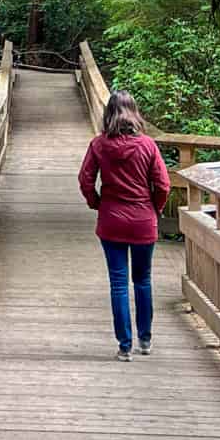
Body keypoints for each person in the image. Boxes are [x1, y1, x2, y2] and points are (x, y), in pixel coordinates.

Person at [78, 89, 171, 360]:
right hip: (144, 221)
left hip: (112, 221)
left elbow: (85, 180)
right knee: (143, 280)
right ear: (134, 113)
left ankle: (124, 345)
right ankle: (145, 339)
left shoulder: (98, 145)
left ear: (109, 113)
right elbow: (163, 184)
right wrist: (156, 208)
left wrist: (96, 202)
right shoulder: (148, 146)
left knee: (118, 283)